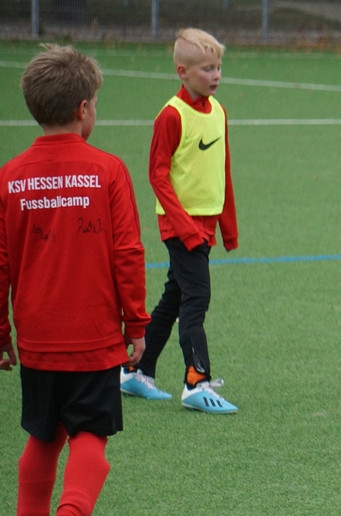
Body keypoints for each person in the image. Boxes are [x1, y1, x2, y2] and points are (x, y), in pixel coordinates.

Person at [1, 45, 150, 516]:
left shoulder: (10, 176)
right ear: (84, 108)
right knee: (90, 434)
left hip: (38, 337)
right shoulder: (107, 170)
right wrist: (137, 325)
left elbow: (1, 263)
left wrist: (1, 332)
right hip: (92, 336)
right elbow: (127, 253)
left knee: (43, 435)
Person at [119, 27, 240, 412]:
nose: (215, 75)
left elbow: (222, 171)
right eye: (207, 68)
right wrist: (186, 229)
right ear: (182, 72)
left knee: (175, 297)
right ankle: (196, 381)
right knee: (197, 298)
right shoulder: (171, 116)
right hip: (180, 228)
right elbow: (157, 177)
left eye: (218, 67)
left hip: (204, 227)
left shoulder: (219, 111)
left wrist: (228, 227)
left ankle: (136, 371)